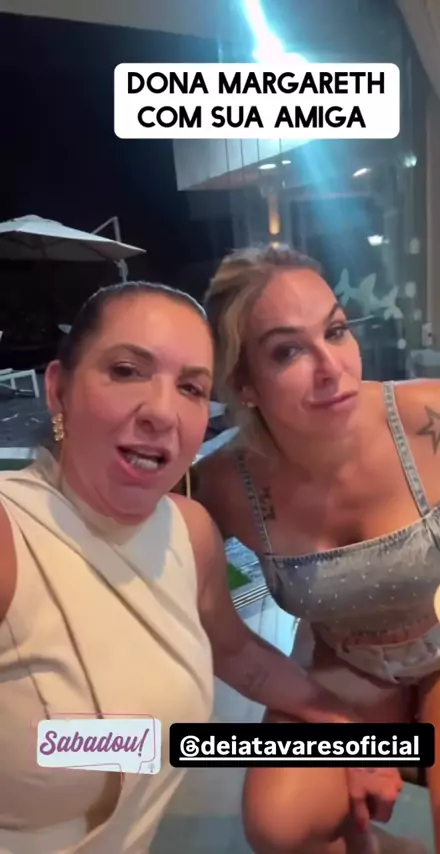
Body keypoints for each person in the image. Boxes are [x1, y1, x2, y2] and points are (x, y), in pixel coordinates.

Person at [0, 281, 362, 854]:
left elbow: (235, 654)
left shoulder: (188, 531)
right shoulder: (11, 533)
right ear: (58, 389)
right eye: (126, 371)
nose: (162, 412)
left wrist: (356, 737)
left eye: (191, 387)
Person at [193, 244, 440, 854]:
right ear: (244, 384)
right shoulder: (223, 483)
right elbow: (207, 620)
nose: (332, 367)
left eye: (336, 331)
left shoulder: (432, 416)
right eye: (288, 351)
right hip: (346, 664)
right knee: (279, 825)